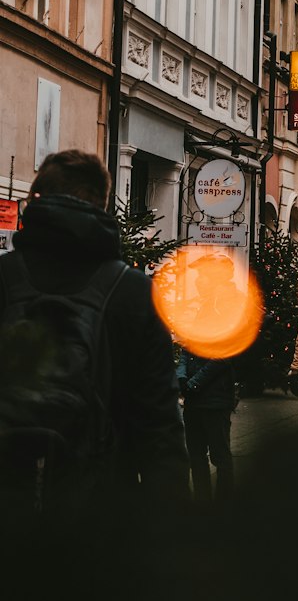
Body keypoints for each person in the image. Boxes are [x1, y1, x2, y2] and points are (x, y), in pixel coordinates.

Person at [0, 148, 188, 506]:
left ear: (34, 200)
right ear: (102, 206)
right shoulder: (133, 292)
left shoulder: (3, 279)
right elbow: (159, 428)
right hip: (98, 520)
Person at [176, 347, 238, 503]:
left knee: (220, 456)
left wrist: (193, 384)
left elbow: (221, 358)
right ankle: (202, 502)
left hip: (216, 401)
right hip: (194, 402)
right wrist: (182, 378)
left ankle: (223, 505)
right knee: (196, 456)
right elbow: (185, 353)